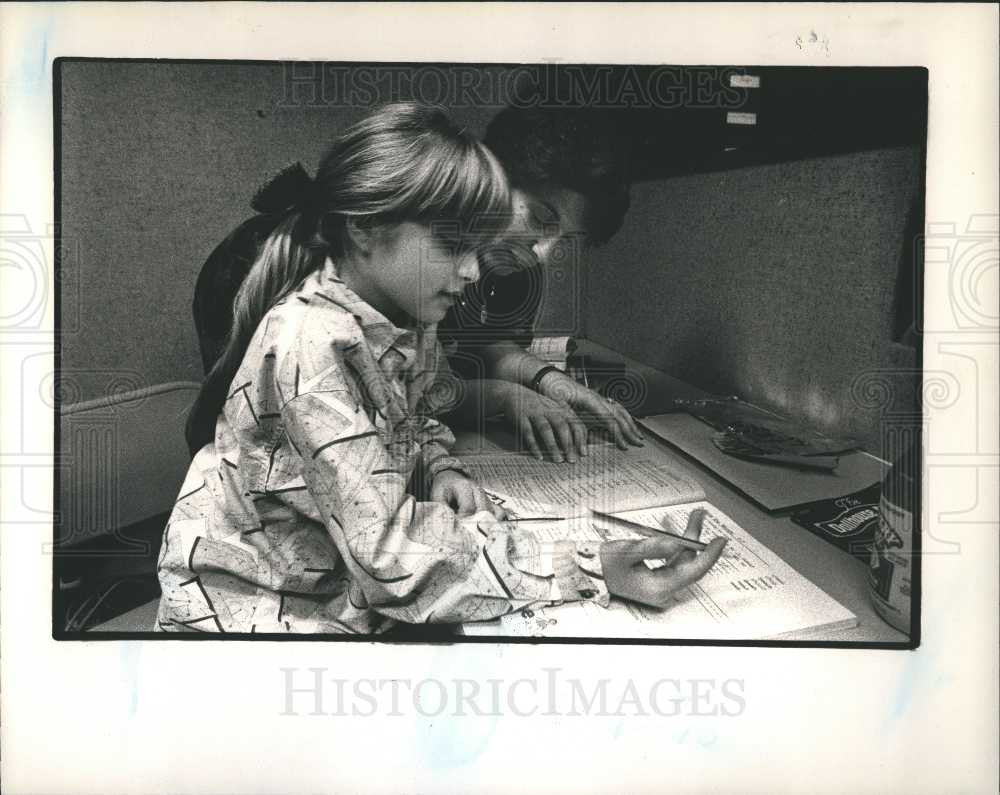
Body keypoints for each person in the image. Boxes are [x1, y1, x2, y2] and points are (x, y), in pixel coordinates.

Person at [160, 103, 725, 633]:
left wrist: (438, 469)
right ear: (364, 227)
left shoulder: (405, 315)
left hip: (332, 571)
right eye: (456, 245)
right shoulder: (312, 344)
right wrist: (587, 566)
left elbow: (409, 420)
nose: (477, 270)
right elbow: (390, 563)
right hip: (255, 609)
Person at [437, 105, 646, 464]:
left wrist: (548, 380)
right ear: (493, 176)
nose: (544, 253)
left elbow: (490, 344)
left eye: (564, 241)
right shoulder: (424, 248)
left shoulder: (519, 268)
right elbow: (409, 391)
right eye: (539, 216)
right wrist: (504, 396)